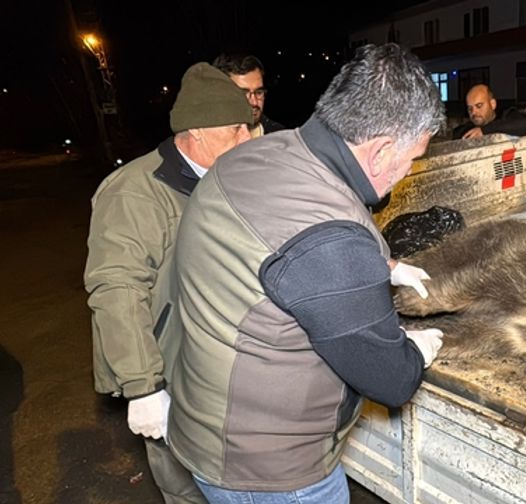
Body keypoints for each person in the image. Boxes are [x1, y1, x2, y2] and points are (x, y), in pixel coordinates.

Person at [167, 43, 446, 503]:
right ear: (379, 152)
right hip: (271, 471)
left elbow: (275, 250)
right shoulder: (331, 240)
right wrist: (412, 351)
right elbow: (389, 380)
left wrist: (383, 266)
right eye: (411, 159)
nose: (407, 172)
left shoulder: (261, 153)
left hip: (208, 420)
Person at [83, 62, 253, 503]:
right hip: (167, 366)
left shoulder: (224, 176)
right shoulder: (134, 192)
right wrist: (143, 387)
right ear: (196, 132)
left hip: (218, 360)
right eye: (235, 129)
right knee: (186, 487)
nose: (247, 139)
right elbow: (116, 288)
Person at [213, 53, 285, 138]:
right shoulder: (200, 140)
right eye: (243, 94)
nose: (254, 102)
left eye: (258, 92)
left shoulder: (280, 139)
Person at [452, 84, 526, 140]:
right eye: (470, 108)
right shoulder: (467, 129)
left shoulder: (506, 115)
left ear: (492, 104)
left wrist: (484, 131)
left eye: (479, 106)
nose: (474, 112)